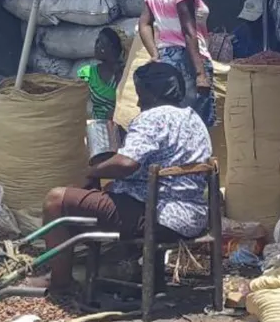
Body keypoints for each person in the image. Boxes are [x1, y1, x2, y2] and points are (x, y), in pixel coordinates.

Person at [28, 62, 212, 291]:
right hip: (194, 216)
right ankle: (130, 272)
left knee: (56, 200)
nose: (138, 102)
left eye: (141, 95)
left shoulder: (153, 118)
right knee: (107, 193)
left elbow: (126, 163)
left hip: (157, 216)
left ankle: (60, 282)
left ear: (153, 93)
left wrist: (92, 171)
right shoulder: (194, 119)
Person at [138, 0, 216, 128]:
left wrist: (155, 55)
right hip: (188, 61)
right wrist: (200, 74)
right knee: (195, 126)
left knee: (174, 125)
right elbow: (188, 31)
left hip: (167, 61)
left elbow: (144, 24)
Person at [77, 27, 125, 120]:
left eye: (101, 42)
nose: (96, 46)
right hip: (94, 125)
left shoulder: (123, 74)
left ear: (111, 47)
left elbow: (124, 101)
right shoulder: (87, 73)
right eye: (96, 41)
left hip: (117, 125)